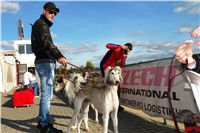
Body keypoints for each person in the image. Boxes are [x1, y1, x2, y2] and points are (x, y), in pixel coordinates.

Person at [31, 2, 67, 133]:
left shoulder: (42, 25)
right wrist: (59, 56)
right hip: (45, 62)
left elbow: (46, 43)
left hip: (45, 62)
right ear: (44, 10)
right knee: (46, 95)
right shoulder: (41, 24)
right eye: (51, 12)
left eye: (54, 13)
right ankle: (45, 126)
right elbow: (47, 43)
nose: (53, 15)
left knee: (48, 94)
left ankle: (43, 122)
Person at [100, 43, 133, 112]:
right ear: (126, 47)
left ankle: (116, 104)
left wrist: (124, 57)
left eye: (130, 52)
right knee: (108, 84)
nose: (128, 52)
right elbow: (107, 45)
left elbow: (122, 65)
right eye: (128, 50)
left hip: (111, 68)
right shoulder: (117, 48)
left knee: (117, 86)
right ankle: (104, 105)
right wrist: (121, 46)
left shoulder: (124, 54)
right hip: (104, 66)